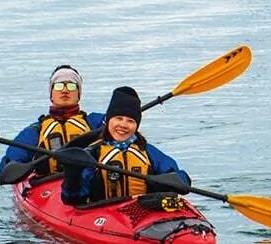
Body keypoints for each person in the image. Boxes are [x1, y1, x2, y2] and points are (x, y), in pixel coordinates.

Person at [58, 86, 189, 205]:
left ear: (136, 125)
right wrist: (72, 174)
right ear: (108, 120)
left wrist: (169, 182)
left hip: (144, 210)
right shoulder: (93, 154)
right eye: (118, 118)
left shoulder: (148, 151)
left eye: (130, 121)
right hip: (105, 215)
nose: (123, 125)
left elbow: (181, 176)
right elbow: (73, 198)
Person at [0, 65, 101, 180]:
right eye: (58, 85)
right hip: (48, 185)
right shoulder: (35, 132)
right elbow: (5, 168)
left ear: (79, 94)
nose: (65, 90)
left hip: (87, 182)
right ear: (51, 94)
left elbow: (121, 122)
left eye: (72, 86)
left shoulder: (95, 123)